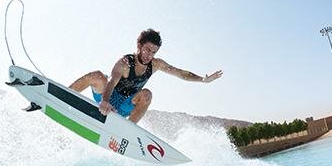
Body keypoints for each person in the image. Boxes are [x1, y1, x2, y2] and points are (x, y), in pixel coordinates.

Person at [69, 29, 222, 123]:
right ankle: (63, 94)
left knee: (147, 94)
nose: (150, 55)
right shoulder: (125, 62)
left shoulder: (155, 64)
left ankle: (127, 130)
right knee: (97, 75)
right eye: (148, 49)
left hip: (125, 106)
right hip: (107, 98)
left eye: (154, 52)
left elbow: (180, 73)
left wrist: (202, 79)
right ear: (139, 46)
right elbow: (111, 82)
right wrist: (105, 101)